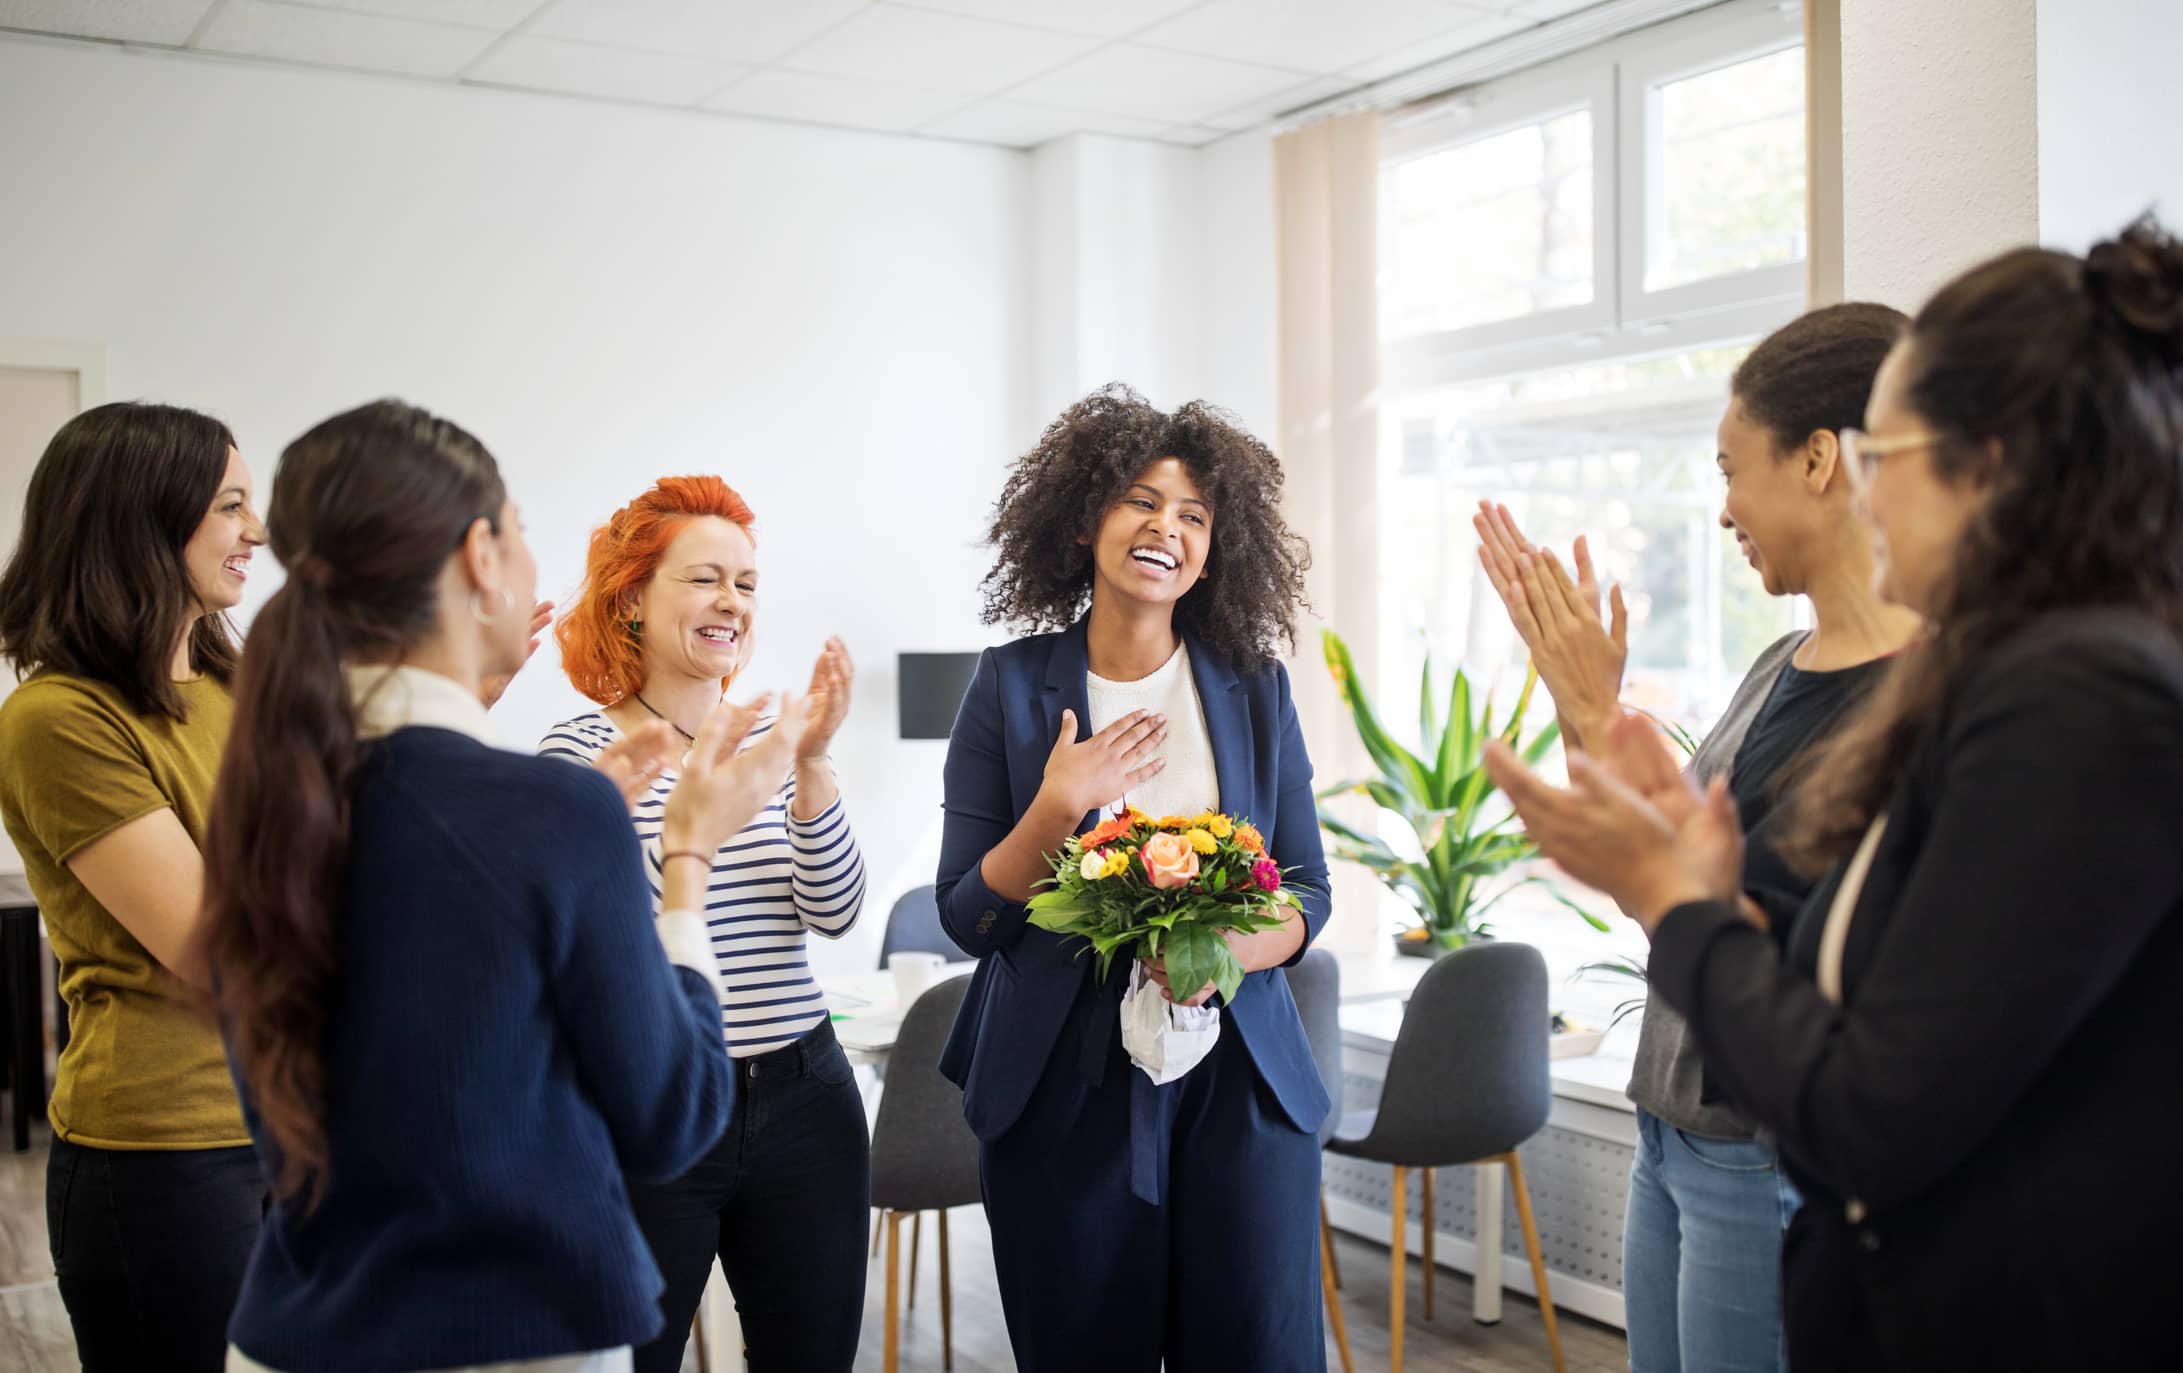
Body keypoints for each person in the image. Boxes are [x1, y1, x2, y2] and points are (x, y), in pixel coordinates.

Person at [1484, 217, 2183, 1369]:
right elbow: (1894, 961)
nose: (1867, 495)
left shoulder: (2075, 696)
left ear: (1986, 462)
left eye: (1884, 457)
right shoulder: (2018, 679)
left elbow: (1875, 1098)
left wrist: (1684, 900)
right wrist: (1701, 883)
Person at [198, 399, 799, 1373]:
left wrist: (575, 833)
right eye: (520, 534)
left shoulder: (267, 803)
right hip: (518, 1335)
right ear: (481, 554)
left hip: (295, 1331)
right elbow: (674, 1116)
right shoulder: (546, 808)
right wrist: (683, 857)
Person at [1472, 303, 1922, 1372]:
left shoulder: (1927, 698)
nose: (1720, 508)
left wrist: (1593, 716)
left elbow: (1746, 912)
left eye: (1729, 469)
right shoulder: (1777, 661)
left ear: (1817, 458)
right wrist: (1591, 707)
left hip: (1763, 1151)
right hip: (1670, 1118)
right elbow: (1679, 870)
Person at [935, 384, 1330, 1371]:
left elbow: (1308, 890)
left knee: (1256, 1350)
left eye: (1193, 514)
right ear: (1082, 521)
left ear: (1214, 547)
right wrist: (1055, 806)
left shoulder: (1254, 687)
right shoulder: (1008, 684)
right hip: (1061, 1088)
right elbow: (966, 915)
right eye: (1140, 501)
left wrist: (1225, 948)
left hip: (1237, 1077)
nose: (1167, 527)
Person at [541, 475, 867, 1373]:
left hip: (806, 1096)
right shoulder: (581, 753)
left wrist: (811, 764)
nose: (732, 601)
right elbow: (587, 937)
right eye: (704, 578)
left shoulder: (771, 744)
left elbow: (836, 912)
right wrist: (694, 826)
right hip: (654, 1109)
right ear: (633, 601)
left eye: (747, 583)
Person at [0, 402, 266, 1372]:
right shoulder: (56, 718)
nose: (258, 531)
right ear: (143, 516)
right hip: (170, 1154)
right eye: (232, 504)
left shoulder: (237, 687)